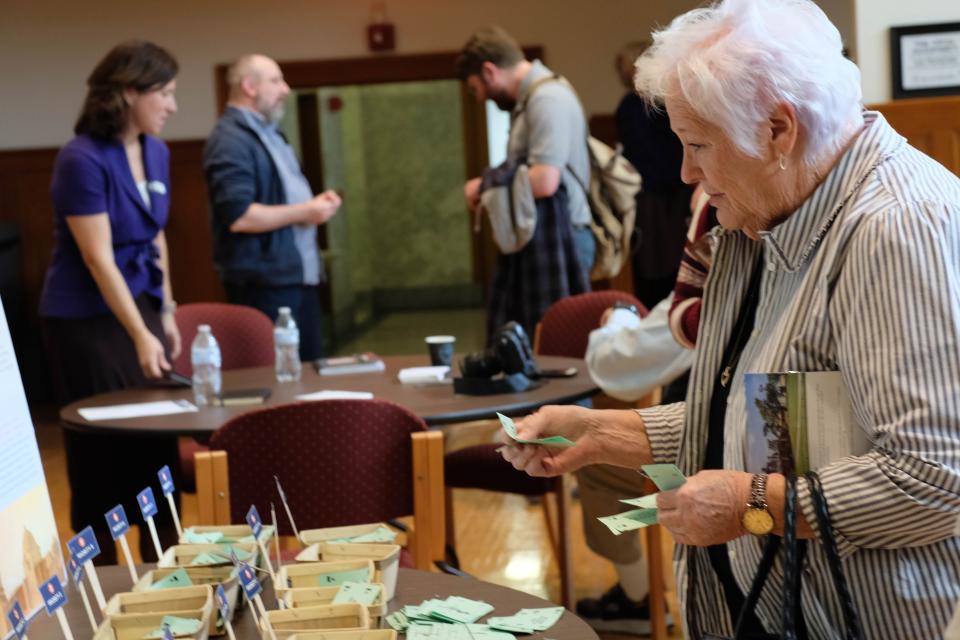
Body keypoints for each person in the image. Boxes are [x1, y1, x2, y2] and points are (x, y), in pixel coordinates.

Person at [501, 0, 960, 637]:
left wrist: (750, 504)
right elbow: (782, 415)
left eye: (697, 145)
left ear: (778, 130)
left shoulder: (893, 229)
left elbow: (934, 480)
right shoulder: (773, 210)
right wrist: (603, 433)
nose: (687, 171)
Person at [39, 40, 182, 564]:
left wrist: (164, 310)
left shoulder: (158, 149)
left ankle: (168, 572)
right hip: (84, 319)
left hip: (138, 303)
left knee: (156, 442)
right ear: (128, 92)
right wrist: (140, 335)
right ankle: (100, 578)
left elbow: (155, 234)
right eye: (163, 93)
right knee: (104, 454)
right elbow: (99, 260)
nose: (172, 105)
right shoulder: (81, 158)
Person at [575, 188, 714, 634]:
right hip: (711, 438)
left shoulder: (712, 288)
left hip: (714, 462)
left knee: (599, 466)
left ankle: (640, 598)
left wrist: (616, 320)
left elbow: (617, 365)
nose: (685, 175)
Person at [203, 54, 341, 361]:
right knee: (282, 377)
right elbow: (239, 216)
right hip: (264, 284)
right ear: (249, 86)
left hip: (295, 278)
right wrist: (308, 211)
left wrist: (314, 206)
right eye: (275, 80)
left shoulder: (271, 134)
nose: (285, 89)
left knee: (307, 373)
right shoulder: (231, 140)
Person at [458, 26, 592, 338]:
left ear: (489, 71)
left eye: (476, 89)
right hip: (549, 237)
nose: (480, 100)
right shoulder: (534, 98)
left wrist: (483, 186)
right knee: (538, 342)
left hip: (564, 239)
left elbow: (545, 180)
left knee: (557, 343)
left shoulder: (548, 98)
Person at [614, 41, 693, 311]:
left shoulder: (634, 106)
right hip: (676, 193)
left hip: (654, 199)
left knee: (655, 273)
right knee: (675, 268)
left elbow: (639, 156)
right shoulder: (668, 101)